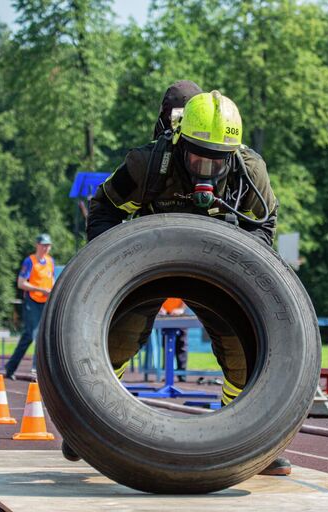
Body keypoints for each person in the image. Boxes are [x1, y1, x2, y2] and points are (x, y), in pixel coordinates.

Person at [69, 82, 290, 477]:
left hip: (217, 272)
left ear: (232, 154)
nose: (206, 169)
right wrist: (108, 268)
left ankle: (251, 440)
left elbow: (265, 226)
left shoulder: (249, 171)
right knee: (114, 340)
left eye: (216, 161)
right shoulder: (148, 164)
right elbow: (105, 205)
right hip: (147, 265)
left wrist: (245, 270)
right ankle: (89, 421)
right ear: (179, 141)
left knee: (245, 355)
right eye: (197, 158)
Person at [5, 233, 55, 380]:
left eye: (48, 245)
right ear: (37, 245)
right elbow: (21, 283)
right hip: (32, 302)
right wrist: (40, 290)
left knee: (43, 336)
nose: (46, 248)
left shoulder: (50, 261)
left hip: (45, 302)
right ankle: (11, 367)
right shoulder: (30, 261)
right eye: (43, 245)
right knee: (30, 335)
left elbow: (51, 279)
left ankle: (36, 370)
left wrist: (52, 291)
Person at [159, 297, 188, 382]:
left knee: (182, 345)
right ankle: (166, 373)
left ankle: (182, 374)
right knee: (166, 345)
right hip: (164, 315)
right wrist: (161, 309)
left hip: (180, 314)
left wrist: (181, 309)